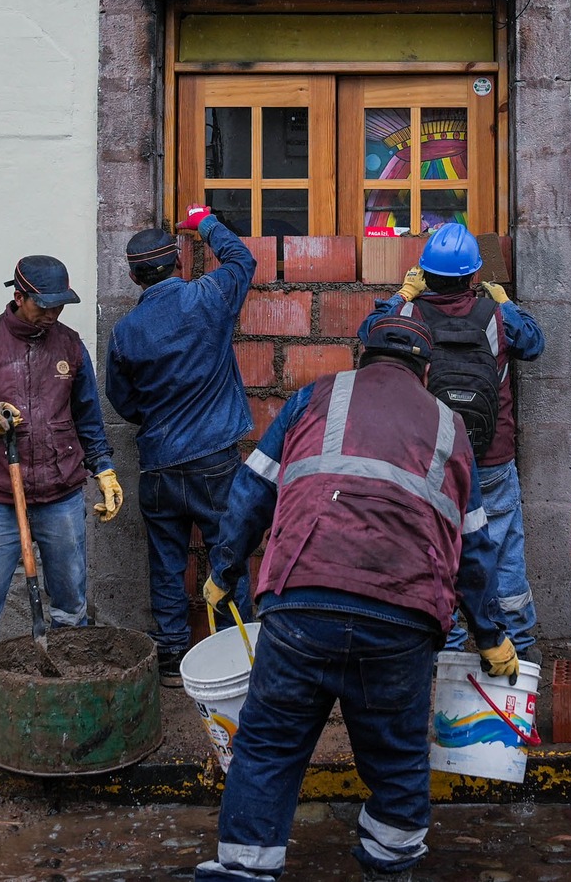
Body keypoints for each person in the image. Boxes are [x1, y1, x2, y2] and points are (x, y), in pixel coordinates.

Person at [195, 314, 517, 882]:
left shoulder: (315, 397)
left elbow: (252, 491)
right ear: (425, 370)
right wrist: (491, 636)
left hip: (302, 606)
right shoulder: (450, 429)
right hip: (401, 617)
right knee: (396, 759)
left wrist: (223, 569)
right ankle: (391, 866)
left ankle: (244, 869)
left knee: (267, 747)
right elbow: (475, 551)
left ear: (359, 351)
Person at [0, 256, 120, 746]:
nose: (53, 315)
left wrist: (103, 469)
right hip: (0, 493)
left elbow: (88, 418)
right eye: (45, 306)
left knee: (70, 596)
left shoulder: (70, 347)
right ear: (19, 296)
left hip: (60, 491)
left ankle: (71, 679)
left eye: (60, 306)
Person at [357, 221, 545, 657]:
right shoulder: (495, 316)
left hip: (433, 457)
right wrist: (506, 301)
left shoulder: (408, 315)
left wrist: (403, 294)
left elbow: (369, 332)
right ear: (473, 275)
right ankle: (518, 642)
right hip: (492, 457)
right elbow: (534, 344)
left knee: (436, 547)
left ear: (424, 273)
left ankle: (452, 646)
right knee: (502, 550)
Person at [105, 204, 258, 686]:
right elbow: (242, 261)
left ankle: (171, 658)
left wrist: (156, 421)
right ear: (179, 263)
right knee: (226, 554)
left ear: (134, 277)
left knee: (167, 562)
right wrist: (206, 221)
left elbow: (122, 400)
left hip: (157, 466)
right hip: (214, 460)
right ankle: (240, 655)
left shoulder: (126, 332)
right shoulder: (208, 297)